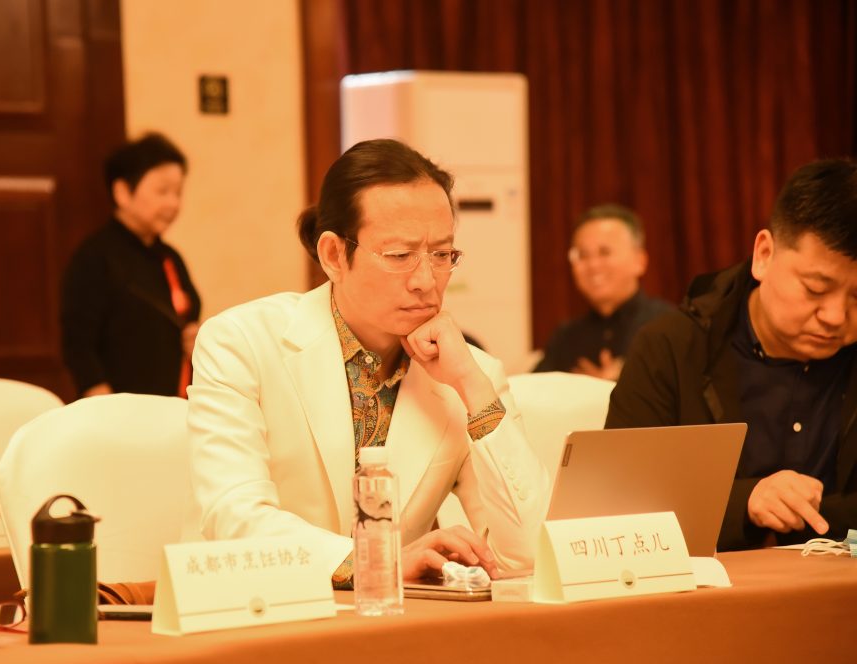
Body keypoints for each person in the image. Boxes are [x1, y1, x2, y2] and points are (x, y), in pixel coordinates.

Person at [188, 139, 548, 586]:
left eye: (441, 255)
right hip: (263, 606)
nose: (426, 281)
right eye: (399, 256)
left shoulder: (468, 371)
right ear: (334, 255)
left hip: (396, 620)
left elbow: (528, 554)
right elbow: (233, 516)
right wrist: (377, 561)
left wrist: (472, 384)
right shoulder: (242, 343)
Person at [606, 158, 857, 551]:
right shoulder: (672, 348)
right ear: (764, 254)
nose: (836, 316)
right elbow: (618, 501)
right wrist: (744, 500)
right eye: (816, 289)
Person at [60, 132, 201, 398]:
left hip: (174, 404)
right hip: (117, 409)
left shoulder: (170, 258)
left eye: (178, 192)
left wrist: (196, 339)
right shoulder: (94, 257)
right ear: (123, 192)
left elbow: (187, 319)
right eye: (162, 191)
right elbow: (79, 346)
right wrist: (103, 405)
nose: (174, 203)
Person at [534, 204, 672, 379]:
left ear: (640, 261)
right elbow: (532, 390)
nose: (593, 265)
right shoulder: (565, 338)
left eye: (604, 252)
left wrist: (621, 384)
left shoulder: (668, 327)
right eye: (582, 255)